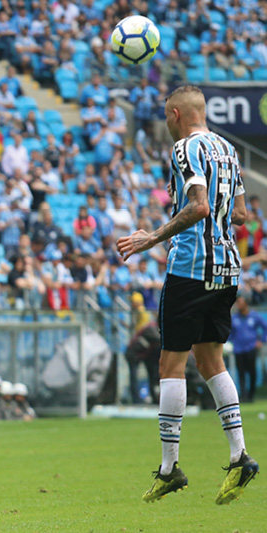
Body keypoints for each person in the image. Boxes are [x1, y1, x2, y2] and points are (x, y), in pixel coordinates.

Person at [117, 85, 258, 504]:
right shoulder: (229, 151)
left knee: (170, 363)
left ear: (176, 114)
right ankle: (240, 457)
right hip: (226, 268)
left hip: (191, 267)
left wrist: (153, 237)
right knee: (210, 359)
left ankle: (168, 468)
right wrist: (212, 215)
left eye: (166, 116)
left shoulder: (184, 150)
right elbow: (241, 214)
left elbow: (198, 206)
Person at [229, 296, 267, 403]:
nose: (238, 305)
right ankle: (243, 396)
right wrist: (231, 341)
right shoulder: (234, 318)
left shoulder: (254, 316)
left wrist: (261, 340)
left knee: (252, 372)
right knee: (240, 373)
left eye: (240, 302)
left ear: (246, 303)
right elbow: (229, 332)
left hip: (251, 347)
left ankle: (252, 395)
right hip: (238, 349)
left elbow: (265, 327)